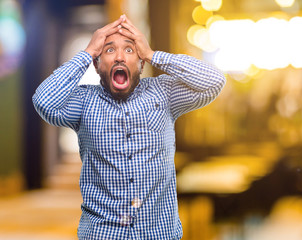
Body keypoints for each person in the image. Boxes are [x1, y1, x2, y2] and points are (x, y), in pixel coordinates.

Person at [32, 14, 226, 239]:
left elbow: (214, 81)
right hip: (103, 234)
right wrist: (86, 53)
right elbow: (44, 101)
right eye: (109, 50)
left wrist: (153, 54)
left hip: (158, 234)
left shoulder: (163, 93)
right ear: (97, 65)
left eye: (130, 50)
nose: (120, 58)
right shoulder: (84, 102)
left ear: (141, 63)